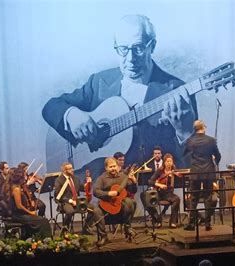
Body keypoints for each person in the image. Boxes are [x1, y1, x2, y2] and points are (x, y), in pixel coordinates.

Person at [42, 14, 197, 177]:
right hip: (97, 189)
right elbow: (51, 107)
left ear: (152, 46)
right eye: (123, 49)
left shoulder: (177, 91)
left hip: (148, 187)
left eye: (138, 48)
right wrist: (71, 115)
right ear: (115, 47)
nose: (130, 59)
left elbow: (190, 167)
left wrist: (185, 133)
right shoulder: (99, 82)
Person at [54, 162, 108, 245]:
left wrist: (88, 183)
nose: (72, 170)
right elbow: (57, 195)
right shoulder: (59, 180)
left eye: (72, 168)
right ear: (64, 170)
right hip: (65, 202)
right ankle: (65, 229)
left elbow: (84, 188)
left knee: (94, 209)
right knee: (70, 211)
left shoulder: (75, 178)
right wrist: (70, 201)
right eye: (70, 168)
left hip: (78, 202)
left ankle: (89, 229)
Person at [183, 120, 221, 231]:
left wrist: (193, 159)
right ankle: (207, 224)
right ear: (203, 127)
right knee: (208, 197)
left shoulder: (190, 141)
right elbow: (218, 156)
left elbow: (185, 154)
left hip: (195, 172)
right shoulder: (211, 140)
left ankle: (191, 223)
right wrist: (215, 160)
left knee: (193, 197)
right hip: (208, 172)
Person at [94, 157, 138, 239]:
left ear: (117, 167)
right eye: (110, 167)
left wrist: (134, 182)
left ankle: (127, 228)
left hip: (121, 209)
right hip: (106, 207)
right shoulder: (102, 178)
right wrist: (108, 193)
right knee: (96, 211)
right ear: (106, 168)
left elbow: (133, 191)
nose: (113, 168)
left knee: (130, 202)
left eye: (114, 166)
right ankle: (103, 236)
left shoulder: (123, 176)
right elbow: (95, 191)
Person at [7, 167, 51, 238]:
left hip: (23, 214)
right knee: (43, 221)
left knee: (42, 221)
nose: (25, 178)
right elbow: (19, 206)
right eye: (23, 176)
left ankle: (38, 239)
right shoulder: (16, 189)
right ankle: (42, 240)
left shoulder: (20, 187)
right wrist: (30, 213)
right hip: (18, 216)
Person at [140, 153, 181, 228]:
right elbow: (150, 181)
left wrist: (177, 176)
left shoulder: (174, 170)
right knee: (144, 196)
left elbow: (177, 182)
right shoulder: (160, 170)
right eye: (167, 161)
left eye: (170, 161)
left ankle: (173, 221)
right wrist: (160, 185)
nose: (169, 163)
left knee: (177, 199)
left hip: (168, 194)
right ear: (164, 162)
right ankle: (156, 218)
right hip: (158, 193)